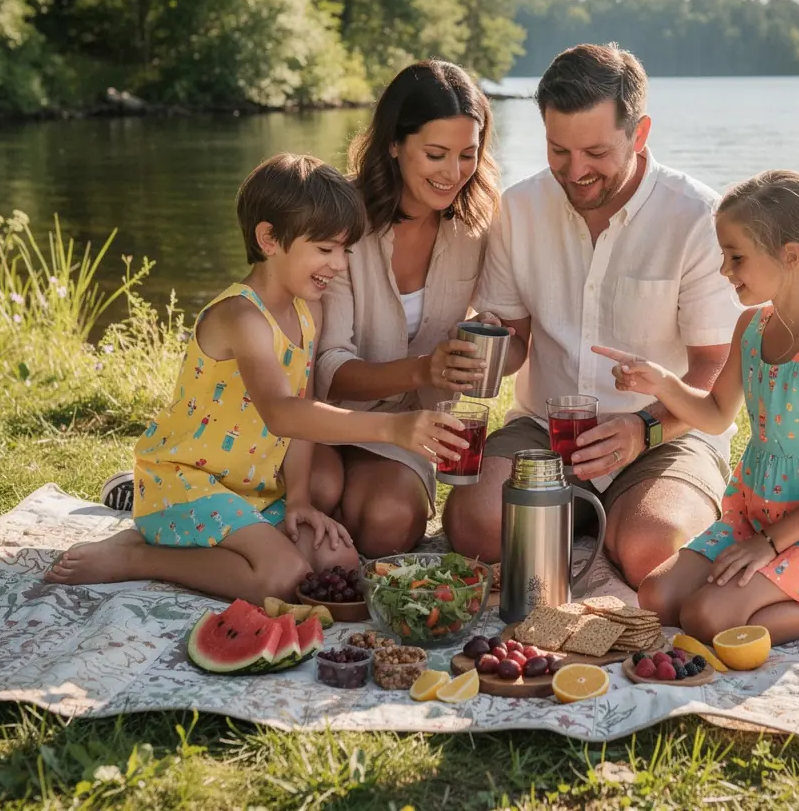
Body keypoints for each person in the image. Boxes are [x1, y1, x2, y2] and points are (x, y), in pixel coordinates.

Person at [47, 154, 467, 602]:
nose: (341, 264)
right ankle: (137, 555)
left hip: (253, 491)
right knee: (282, 579)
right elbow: (283, 414)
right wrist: (391, 427)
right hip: (186, 483)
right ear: (268, 239)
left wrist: (301, 500)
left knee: (337, 561)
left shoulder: (310, 311)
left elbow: (302, 416)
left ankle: (208, 544)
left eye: (345, 249)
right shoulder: (241, 317)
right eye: (326, 249)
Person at [443, 43, 740, 587]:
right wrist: (476, 353)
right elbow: (514, 344)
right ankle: (581, 518)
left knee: (652, 548)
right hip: (542, 432)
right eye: (559, 151)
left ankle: (607, 521)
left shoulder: (698, 217)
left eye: (596, 153)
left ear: (640, 133)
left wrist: (642, 428)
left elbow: (716, 367)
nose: (575, 172)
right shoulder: (520, 209)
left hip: (667, 436)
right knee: (474, 526)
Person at [596, 169, 799, 645]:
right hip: (758, 515)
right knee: (658, 597)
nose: (725, 271)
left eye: (736, 257)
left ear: (791, 257)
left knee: (710, 619)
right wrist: (661, 382)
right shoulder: (751, 326)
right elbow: (716, 413)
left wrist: (766, 547)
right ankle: (783, 586)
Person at [312, 61, 499, 556]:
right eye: (436, 154)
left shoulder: (476, 227)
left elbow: (507, 320)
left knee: (387, 525)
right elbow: (328, 369)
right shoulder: (341, 220)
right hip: (320, 417)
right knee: (318, 500)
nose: (454, 174)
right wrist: (424, 369)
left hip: (409, 428)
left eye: (467, 156)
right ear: (394, 144)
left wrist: (488, 339)